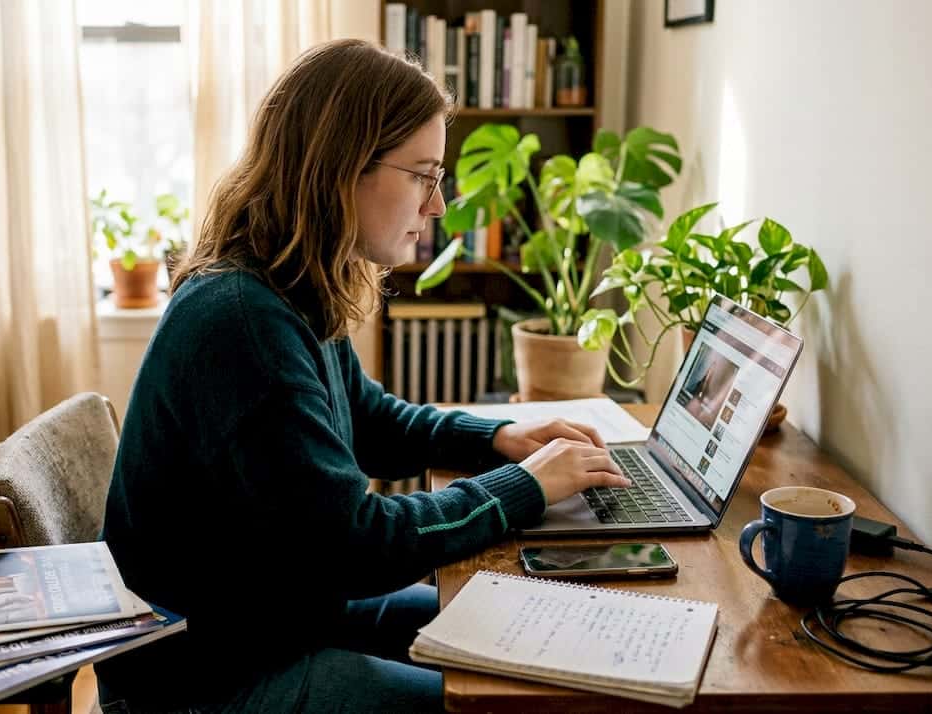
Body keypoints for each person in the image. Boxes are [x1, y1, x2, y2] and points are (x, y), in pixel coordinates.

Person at [94, 39, 631, 713]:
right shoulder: (244, 323)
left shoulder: (283, 287)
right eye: (423, 176)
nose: (436, 207)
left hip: (268, 620)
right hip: (201, 680)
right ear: (343, 168)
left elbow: (369, 420)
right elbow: (352, 545)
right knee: (506, 700)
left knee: (531, 643)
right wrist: (521, 488)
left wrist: (494, 441)